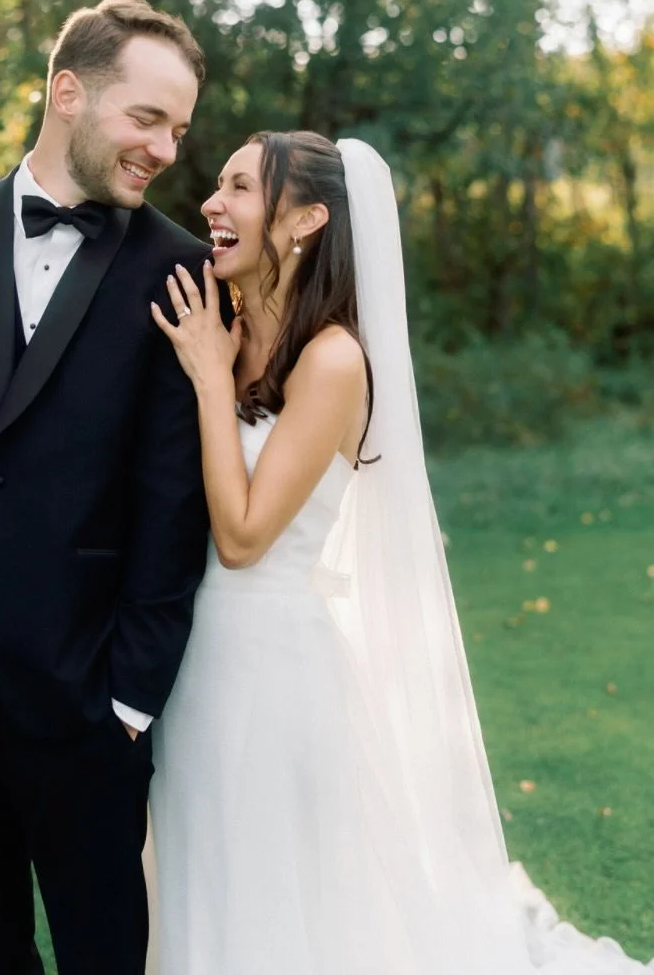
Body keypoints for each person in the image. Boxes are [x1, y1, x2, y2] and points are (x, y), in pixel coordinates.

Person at [147, 131, 649, 974]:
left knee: (278, 890)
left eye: (238, 188)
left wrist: (205, 379)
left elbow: (241, 537)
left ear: (305, 218)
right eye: (218, 185)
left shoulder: (334, 358)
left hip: (271, 670)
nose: (210, 204)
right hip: (195, 659)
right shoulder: (229, 335)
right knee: (208, 868)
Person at [0, 0, 229, 975]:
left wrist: (131, 699)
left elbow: (172, 506)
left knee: (106, 952)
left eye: (179, 129)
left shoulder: (183, 274)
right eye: (146, 118)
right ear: (69, 91)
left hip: (86, 702)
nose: (164, 148)